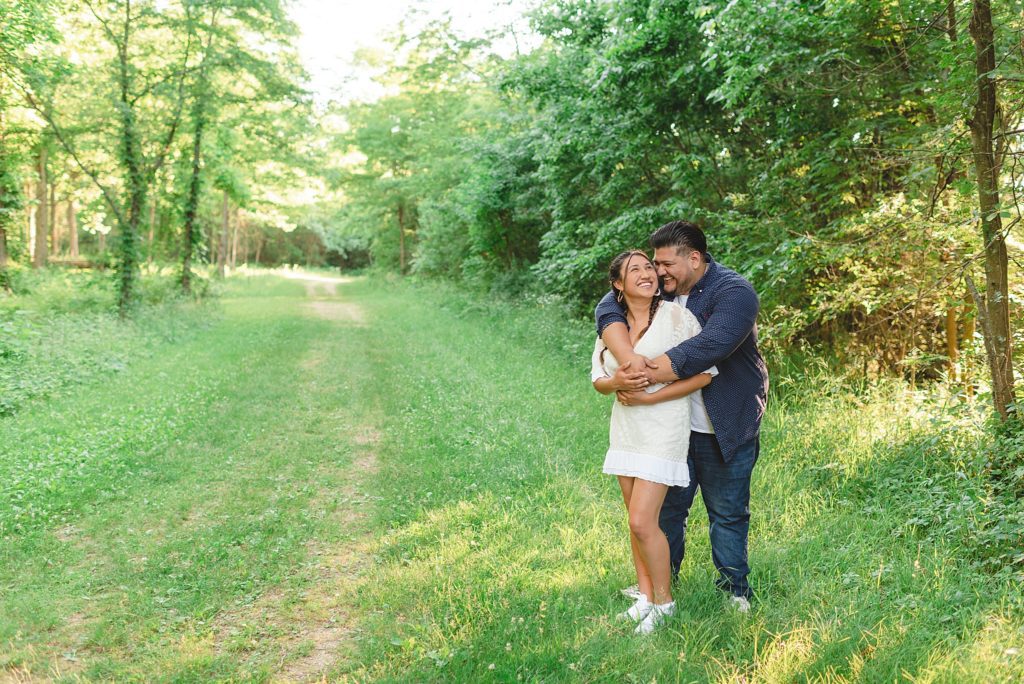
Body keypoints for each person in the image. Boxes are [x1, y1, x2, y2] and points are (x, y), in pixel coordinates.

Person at [595, 221, 769, 611]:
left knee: (726, 511)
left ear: (695, 258)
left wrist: (638, 375)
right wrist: (622, 364)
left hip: (724, 421)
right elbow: (608, 304)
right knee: (666, 510)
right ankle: (660, 587)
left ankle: (733, 590)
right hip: (669, 428)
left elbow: (710, 347)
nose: (658, 272)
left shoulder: (734, 293)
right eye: (653, 264)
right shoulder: (660, 293)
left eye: (665, 264)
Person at [591, 250, 717, 634]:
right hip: (626, 430)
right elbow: (598, 379)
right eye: (636, 270)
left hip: (663, 429)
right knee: (635, 524)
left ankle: (665, 603)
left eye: (650, 267)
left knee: (643, 521)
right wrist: (618, 383)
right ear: (618, 284)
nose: (647, 273)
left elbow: (705, 375)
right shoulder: (611, 326)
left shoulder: (679, 317)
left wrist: (649, 396)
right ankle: (644, 598)